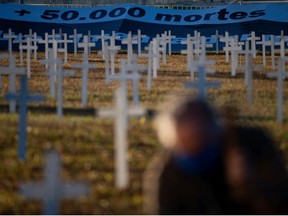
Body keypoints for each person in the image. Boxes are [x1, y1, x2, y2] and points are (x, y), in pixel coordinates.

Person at [143, 96, 288, 214]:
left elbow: (280, 204)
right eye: (185, 144)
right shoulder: (170, 171)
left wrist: (251, 185)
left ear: (215, 132)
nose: (193, 151)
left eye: (198, 141)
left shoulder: (252, 145)